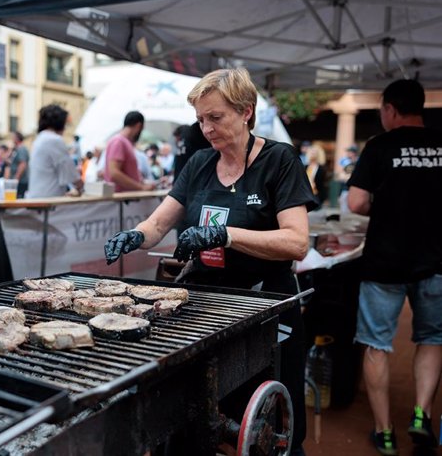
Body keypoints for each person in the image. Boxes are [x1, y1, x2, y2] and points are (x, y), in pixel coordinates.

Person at [104, 67, 317, 456]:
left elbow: (296, 242)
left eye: (215, 117)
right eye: (201, 119)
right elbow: (158, 223)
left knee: (271, 423)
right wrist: (135, 236)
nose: (207, 128)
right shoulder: (200, 163)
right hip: (206, 307)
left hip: (264, 305)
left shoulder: (279, 161)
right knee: (195, 412)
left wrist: (227, 234)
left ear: (246, 112)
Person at [347, 79, 442, 455]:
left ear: (390, 109)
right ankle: (421, 415)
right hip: (436, 259)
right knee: (432, 338)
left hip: (384, 261)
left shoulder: (379, 146)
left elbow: (354, 203)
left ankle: (384, 433)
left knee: (376, 344)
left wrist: (383, 206)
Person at [26, 104, 83, 198]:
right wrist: (83, 187)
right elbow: (71, 174)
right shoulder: (54, 140)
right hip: (48, 202)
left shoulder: (40, 138)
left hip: (38, 197)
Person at [103, 110, 156, 192]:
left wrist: (141, 183)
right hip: (123, 200)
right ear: (139, 126)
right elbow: (114, 173)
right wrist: (140, 187)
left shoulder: (124, 142)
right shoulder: (119, 142)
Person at [5, 131, 29, 198]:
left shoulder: (22, 149)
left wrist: (16, 178)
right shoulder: (16, 149)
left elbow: (23, 164)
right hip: (16, 180)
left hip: (21, 181)